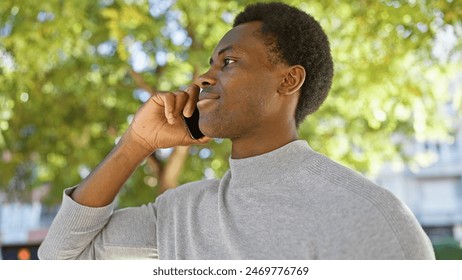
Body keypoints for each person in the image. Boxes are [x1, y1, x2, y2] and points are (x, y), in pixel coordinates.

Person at [38, 2, 435, 260]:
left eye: (228, 62)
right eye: (208, 64)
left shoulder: (367, 215)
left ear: (288, 80)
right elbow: (58, 261)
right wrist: (135, 143)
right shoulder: (180, 214)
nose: (204, 78)